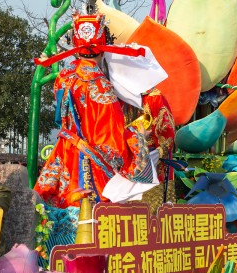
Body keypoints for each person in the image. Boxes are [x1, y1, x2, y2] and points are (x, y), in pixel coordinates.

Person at [32, 12, 158, 209]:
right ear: (103, 49)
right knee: (90, 219)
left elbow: (60, 119)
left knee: (50, 214)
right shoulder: (102, 88)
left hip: (64, 152)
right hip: (88, 163)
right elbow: (112, 144)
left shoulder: (64, 77)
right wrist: (138, 137)